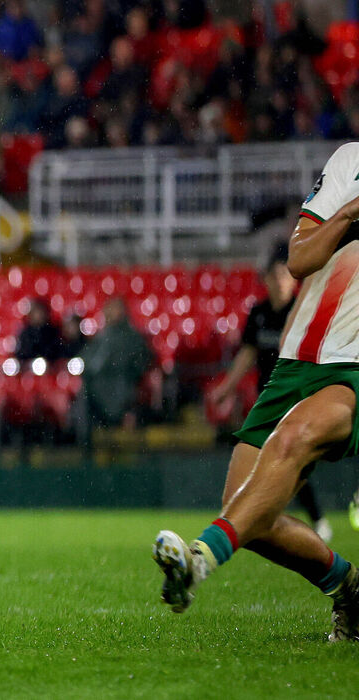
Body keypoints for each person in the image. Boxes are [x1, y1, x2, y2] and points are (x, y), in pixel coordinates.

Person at [152, 142, 359, 642]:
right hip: (294, 365)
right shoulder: (349, 161)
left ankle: (198, 562)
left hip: (351, 369)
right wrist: (351, 212)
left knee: (291, 442)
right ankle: (351, 591)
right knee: (247, 512)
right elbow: (300, 258)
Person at [207, 244, 332, 542]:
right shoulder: (259, 313)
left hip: (298, 397)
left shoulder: (302, 311)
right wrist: (226, 388)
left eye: (284, 275)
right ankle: (261, 517)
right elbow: (247, 355)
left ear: (293, 280)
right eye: (274, 275)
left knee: (289, 460)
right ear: (265, 279)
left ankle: (308, 518)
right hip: (268, 399)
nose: (279, 281)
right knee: (266, 459)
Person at [79, 296, 152, 430]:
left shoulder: (132, 337)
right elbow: (88, 361)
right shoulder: (101, 337)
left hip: (125, 383)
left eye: (116, 309)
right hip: (100, 385)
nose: (112, 312)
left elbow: (141, 362)